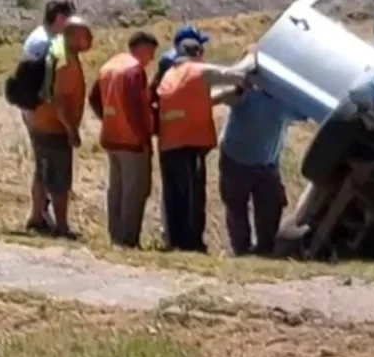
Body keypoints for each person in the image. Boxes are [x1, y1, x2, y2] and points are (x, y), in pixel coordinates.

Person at [155, 39, 251, 252]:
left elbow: (199, 101)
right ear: (197, 53)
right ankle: (192, 243)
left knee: (174, 196)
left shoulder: (171, 75)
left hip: (168, 143)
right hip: (190, 143)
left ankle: (176, 241)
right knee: (192, 196)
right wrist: (253, 59)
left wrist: (230, 93)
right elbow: (233, 74)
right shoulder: (198, 70)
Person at [216, 63, 303, 256]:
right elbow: (221, 97)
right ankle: (242, 250)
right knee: (236, 206)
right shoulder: (246, 94)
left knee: (271, 207)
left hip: (266, 164)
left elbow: (307, 111)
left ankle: (264, 249)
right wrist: (241, 82)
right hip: (236, 159)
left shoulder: (286, 101)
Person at [88, 31, 159, 248]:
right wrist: (143, 136)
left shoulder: (109, 66)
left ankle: (116, 235)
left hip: (111, 137)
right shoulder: (134, 71)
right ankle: (129, 239)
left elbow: (93, 98)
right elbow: (136, 107)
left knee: (117, 188)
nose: (152, 59)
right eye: (152, 53)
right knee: (135, 190)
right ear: (144, 48)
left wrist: (108, 119)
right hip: (132, 140)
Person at [29, 17, 94, 239]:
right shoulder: (66, 62)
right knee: (59, 178)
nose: (91, 39)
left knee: (42, 172)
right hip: (54, 127)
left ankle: (37, 216)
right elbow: (61, 101)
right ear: (74, 36)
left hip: (39, 121)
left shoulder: (56, 49)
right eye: (86, 35)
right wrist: (71, 130)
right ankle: (62, 226)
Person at [20, 0, 73, 233]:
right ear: (60, 19)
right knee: (52, 167)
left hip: (33, 111)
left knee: (42, 167)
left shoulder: (39, 38)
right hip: (42, 115)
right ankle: (51, 220)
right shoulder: (46, 44)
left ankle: (38, 215)